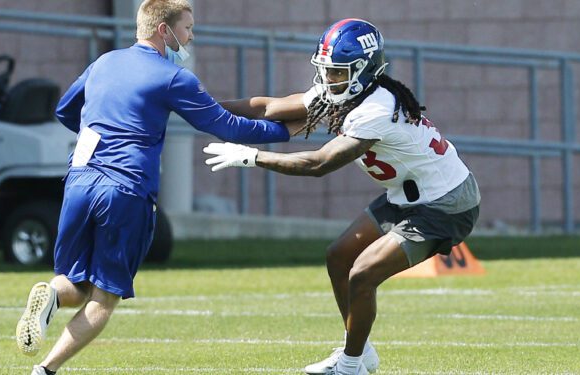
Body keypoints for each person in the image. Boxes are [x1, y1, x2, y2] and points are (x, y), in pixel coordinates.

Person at [14, 1, 298, 374]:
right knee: (104, 297)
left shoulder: (104, 62)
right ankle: (45, 370)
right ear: (164, 31)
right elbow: (226, 126)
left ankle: (50, 295)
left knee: (74, 284)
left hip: (79, 181)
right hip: (126, 188)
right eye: (187, 28)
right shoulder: (173, 77)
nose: (191, 36)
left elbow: (66, 110)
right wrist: (286, 131)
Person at [206, 19, 480, 375]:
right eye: (327, 71)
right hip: (406, 195)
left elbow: (320, 163)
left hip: (444, 204)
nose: (329, 80)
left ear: (365, 71)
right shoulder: (348, 93)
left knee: (363, 273)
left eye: (338, 73)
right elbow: (267, 108)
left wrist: (252, 156)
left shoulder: (375, 109)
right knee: (339, 257)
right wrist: (202, 107)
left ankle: (351, 366)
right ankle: (360, 352)